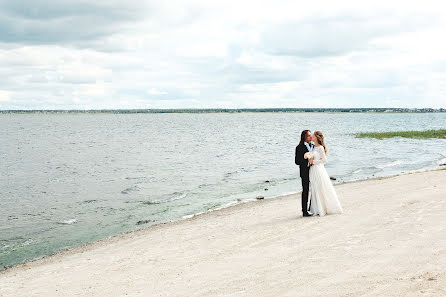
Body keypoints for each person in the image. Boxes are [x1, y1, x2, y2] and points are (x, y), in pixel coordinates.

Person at [307, 131, 343, 216]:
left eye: (313, 135)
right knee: (315, 188)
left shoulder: (320, 148)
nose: (311, 136)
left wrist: (313, 161)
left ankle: (323, 208)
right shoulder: (313, 147)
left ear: (316, 137)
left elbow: (324, 160)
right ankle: (317, 208)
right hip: (313, 170)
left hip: (319, 169)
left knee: (320, 187)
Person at [295, 130, 314, 217]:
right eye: (309, 136)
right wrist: (305, 158)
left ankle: (313, 208)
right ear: (304, 137)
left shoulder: (314, 146)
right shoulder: (299, 147)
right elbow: (297, 161)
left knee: (315, 190)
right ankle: (304, 211)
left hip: (314, 171)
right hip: (304, 172)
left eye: (311, 135)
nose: (311, 137)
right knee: (305, 191)